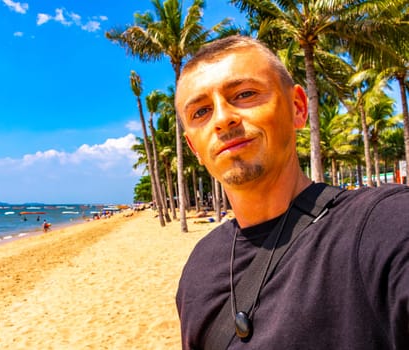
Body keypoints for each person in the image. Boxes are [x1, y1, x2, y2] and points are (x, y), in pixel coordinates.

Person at [175, 35, 409, 350]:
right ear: (194, 148)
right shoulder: (199, 270)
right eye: (201, 112)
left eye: (244, 94)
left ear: (297, 107)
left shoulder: (383, 225)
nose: (221, 118)